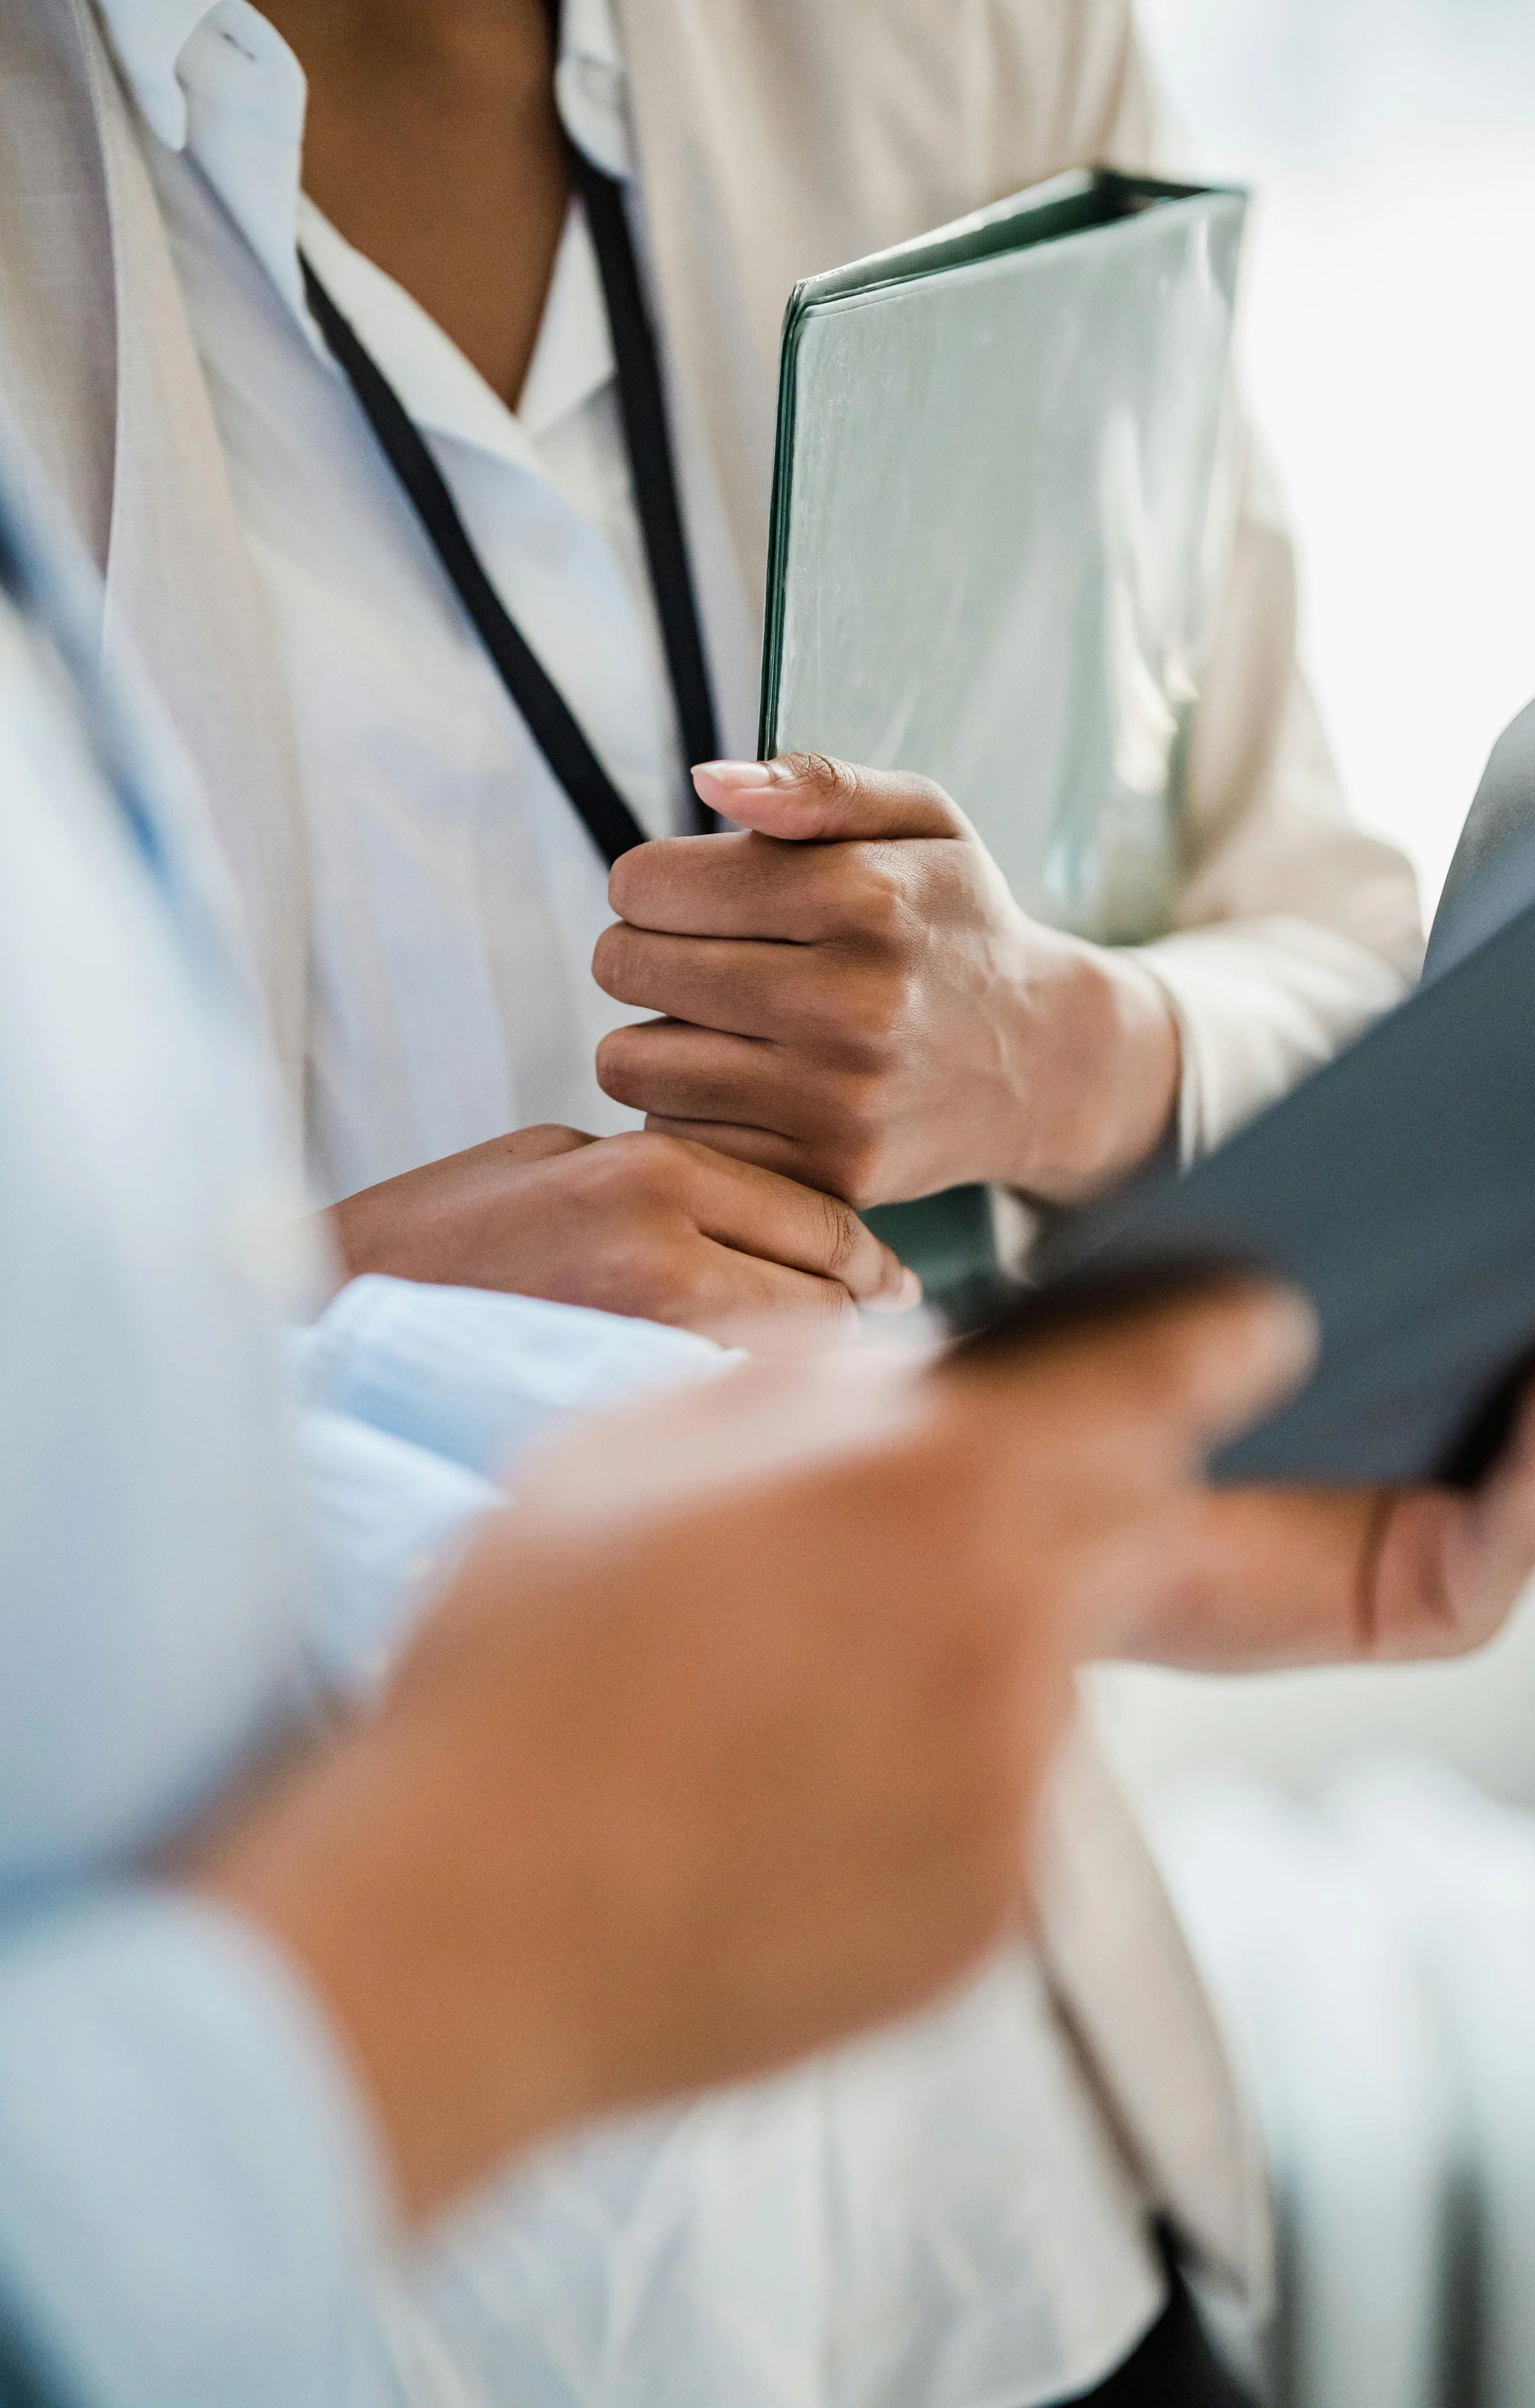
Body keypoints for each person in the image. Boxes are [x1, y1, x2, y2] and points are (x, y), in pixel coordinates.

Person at [0, 0, 1439, 2401]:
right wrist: (342, 1320)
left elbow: (1323, 951)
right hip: (328, 2259)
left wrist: (1056, 1043)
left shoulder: (966, 41)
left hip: (981, 2192)